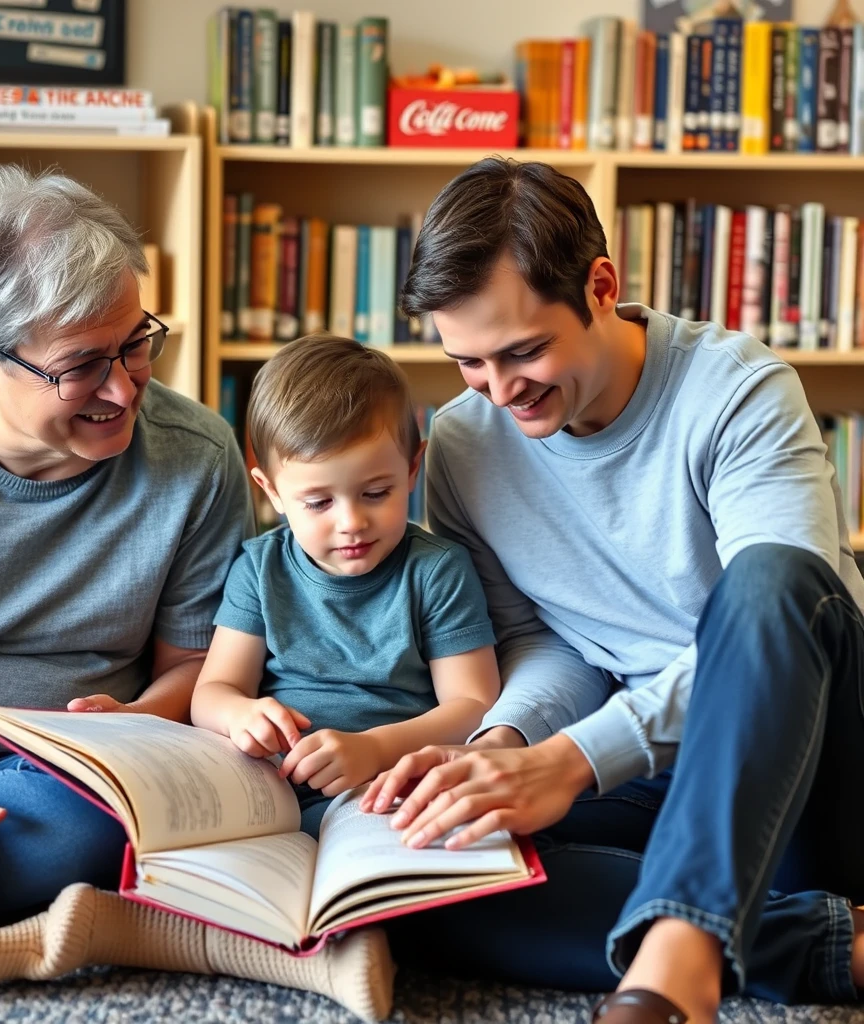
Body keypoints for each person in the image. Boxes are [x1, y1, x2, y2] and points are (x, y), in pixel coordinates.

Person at [357, 158, 864, 1024]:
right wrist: (511, 745)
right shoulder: (465, 446)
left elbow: (787, 616)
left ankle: (677, 967)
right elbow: (545, 642)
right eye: (468, 362)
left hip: (815, 755)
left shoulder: (738, 390)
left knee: (771, 580)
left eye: (523, 350)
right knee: (431, 868)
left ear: (600, 286)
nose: (501, 390)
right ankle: (820, 943)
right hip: (653, 770)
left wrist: (572, 761)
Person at [0, 165, 253, 943]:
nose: (125, 389)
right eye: (82, 366)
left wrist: (131, 725)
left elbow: (196, 665)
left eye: (136, 344)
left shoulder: (196, 456)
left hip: (53, 774)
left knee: (91, 829)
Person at [190, 333, 501, 836]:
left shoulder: (437, 571)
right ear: (271, 491)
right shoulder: (258, 569)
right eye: (318, 503)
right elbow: (212, 692)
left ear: (413, 468)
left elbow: (475, 706)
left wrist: (375, 747)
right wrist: (240, 713)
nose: (351, 522)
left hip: (385, 785)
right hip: (268, 789)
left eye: (376, 492)